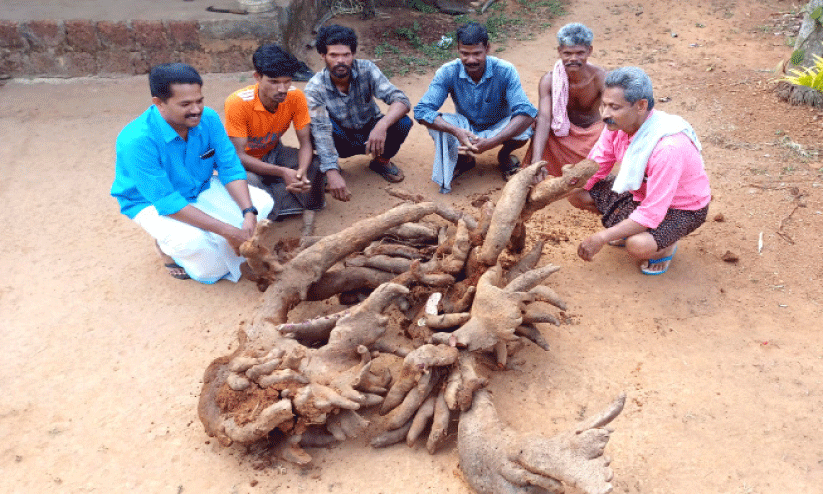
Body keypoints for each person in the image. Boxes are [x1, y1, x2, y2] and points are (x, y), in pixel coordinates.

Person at [111, 63, 274, 283]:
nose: (196, 109)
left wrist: (248, 211)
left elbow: (229, 167)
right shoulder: (136, 140)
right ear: (159, 103)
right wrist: (227, 230)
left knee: (262, 203)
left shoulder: (209, 118)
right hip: (150, 202)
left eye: (199, 100)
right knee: (202, 256)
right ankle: (167, 248)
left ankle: (210, 234)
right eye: (185, 104)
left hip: (199, 187)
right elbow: (166, 201)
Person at [569, 67, 711, 275]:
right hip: (641, 193)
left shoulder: (667, 148)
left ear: (641, 106)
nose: (605, 114)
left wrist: (602, 237)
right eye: (604, 106)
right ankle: (628, 229)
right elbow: (595, 168)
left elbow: (652, 213)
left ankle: (665, 246)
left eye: (615, 107)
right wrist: (562, 189)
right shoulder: (616, 127)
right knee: (578, 192)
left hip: (682, 208)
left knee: (638, 246)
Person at [414, 22, 537, 193]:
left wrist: (492, 142)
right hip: (466, 129)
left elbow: (527, 112)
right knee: (438, 124)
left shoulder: (505, 70)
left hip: (499, 126)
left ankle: (503, 156)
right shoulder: (447, 72)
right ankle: (465, 160)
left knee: (525, 126)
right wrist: (456, 131)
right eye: (465, 53)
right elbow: (421, 111)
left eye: (477, 53)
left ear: (487, 48)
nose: (471, 60)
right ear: (458, 49)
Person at [304, 25, 413, 202]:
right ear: (323, 56)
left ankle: (381, 162)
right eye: (334, 55)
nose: (341, 61)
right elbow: (322, 132)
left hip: (372, 135)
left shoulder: (367, 69)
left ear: (353, 54)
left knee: (403, 122)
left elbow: (400, 99)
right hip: (341, 139)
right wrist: (331, 171)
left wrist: (382, 125)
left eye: (346, 55)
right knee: (310, 128)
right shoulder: (314, 87)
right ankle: (331, 170)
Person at [224, 44, 323, 236]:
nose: (282, 89)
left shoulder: (295, 97)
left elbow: (305, 143)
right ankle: (279, 204)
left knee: (315, 165)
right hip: (246, 162)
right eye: (274, 82)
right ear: (257, 77)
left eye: (287, 81)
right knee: (247, 180)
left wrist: (301, 172)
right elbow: (239, 156)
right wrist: (282, 171)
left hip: (274, 151)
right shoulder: (237, 103)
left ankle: (287, 197)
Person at [523, 23, 605, 180]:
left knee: (607, 129)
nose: (573, 59)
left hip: (591, 136)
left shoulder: (601, 77)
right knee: (538, 124)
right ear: (559, 52)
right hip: (561, 136)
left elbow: (614, 113)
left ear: (590, 51)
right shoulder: (549, 80)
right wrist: (536, 161)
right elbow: (545, 119)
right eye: (567, 53)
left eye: (580, 53)